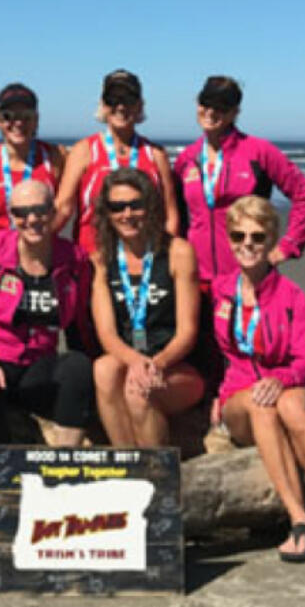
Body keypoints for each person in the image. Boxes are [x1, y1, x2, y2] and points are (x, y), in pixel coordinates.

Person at [212, 195, 305, 563]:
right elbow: (217, 352)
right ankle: (299, 520)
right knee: (260, 404)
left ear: (271, 240)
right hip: (240, 396)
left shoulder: (291, 297)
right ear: (229, 239)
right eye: (239, 236)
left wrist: (282, 378)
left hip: (293, 387)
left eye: (257, 237)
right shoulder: (219, 291)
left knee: (285, 403)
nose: (248, 245)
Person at [0, 179, 95, 451]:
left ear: (53, 212)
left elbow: (78, 324)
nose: (32, 219)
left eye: (40, 210)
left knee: (78, 366)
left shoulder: (73, 258)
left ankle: (64, 461)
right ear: (12, 216)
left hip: (37, 366)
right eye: (21, 212)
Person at [91, 168, 204, 448]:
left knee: (137, 389)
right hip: (130, 359)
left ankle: (157, 474)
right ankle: (128, 461)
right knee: (104, 368)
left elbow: (187, 332)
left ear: (150, 207)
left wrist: (157, 364)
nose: (127, 214)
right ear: (107, 213)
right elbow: (106, 334)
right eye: (117, 206)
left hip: (175, 365)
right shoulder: (102, 260)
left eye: (135, 205)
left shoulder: (178, 252)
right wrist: (135, 362)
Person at [173, 76, 305, 286]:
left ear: (235, 112)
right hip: (198, 281)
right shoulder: (186, 159)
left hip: (248, 278)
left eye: (221, 107)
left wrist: (287, 246)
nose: (211, 112)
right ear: (197, 104)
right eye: (206, 104)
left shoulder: (259, 152)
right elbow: (174, 215)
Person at [54, 69, 179, 254]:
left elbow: (170, 215)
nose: (120, 107)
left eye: (128, 100)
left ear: (139, 106)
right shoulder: (83, 151)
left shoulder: (156, 155)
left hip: (146, 261)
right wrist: (37, 243)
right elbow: (63, 207)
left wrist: (166, 258)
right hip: (94, 260)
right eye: (113, 100)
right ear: (103, 106)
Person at [0, 83, 65, 239]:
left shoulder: (55, 157)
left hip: (39, 254)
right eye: (8, 116)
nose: (18, 123)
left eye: (25, 116)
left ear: (36, 119)